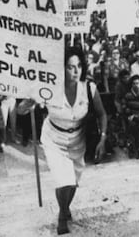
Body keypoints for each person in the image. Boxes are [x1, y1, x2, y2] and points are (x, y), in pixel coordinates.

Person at [40, 47, 107, 235]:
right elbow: (21, 110)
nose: (75, 71)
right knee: (64, 180)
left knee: (74, 181)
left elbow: (102, 114)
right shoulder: (49, 87)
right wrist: (27, 103)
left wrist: (103, 138)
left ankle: (65, 207)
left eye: (78, 66)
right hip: (54, 139)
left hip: (78, 139)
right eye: (70, 67)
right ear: (62, 68)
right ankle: (62, 215)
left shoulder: (89, 87)